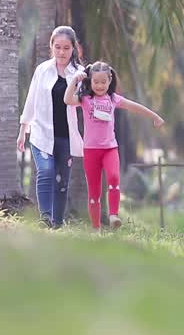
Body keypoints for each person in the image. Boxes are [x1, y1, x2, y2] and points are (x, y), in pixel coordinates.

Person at [65, 60, 164, 229]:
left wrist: (154, 116)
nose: (100, 85)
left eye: (103, 82)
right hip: (90, 151)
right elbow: (67, 100)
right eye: (96, 82)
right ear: (90, 81)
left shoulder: (113, 99)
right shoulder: (85, 99)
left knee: (114, 178)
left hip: (110, 149)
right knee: (94, 194)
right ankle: (96, 228)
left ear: (110, 80)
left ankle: (113, 215)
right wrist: (75, 80)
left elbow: (135, 107)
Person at [17, 26, 86, 228]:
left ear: (73, 48)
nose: (62, 52)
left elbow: (88, 102)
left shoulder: (80, 74)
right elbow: (31, 101)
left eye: (66, 48)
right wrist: (23, 130)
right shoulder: (42, 70)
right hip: (41, 134)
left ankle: (57, 223)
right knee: (46, 171)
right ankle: (45, 218)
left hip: (66, 137)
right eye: (58, 47)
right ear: (51, 47)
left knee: (62, 181)